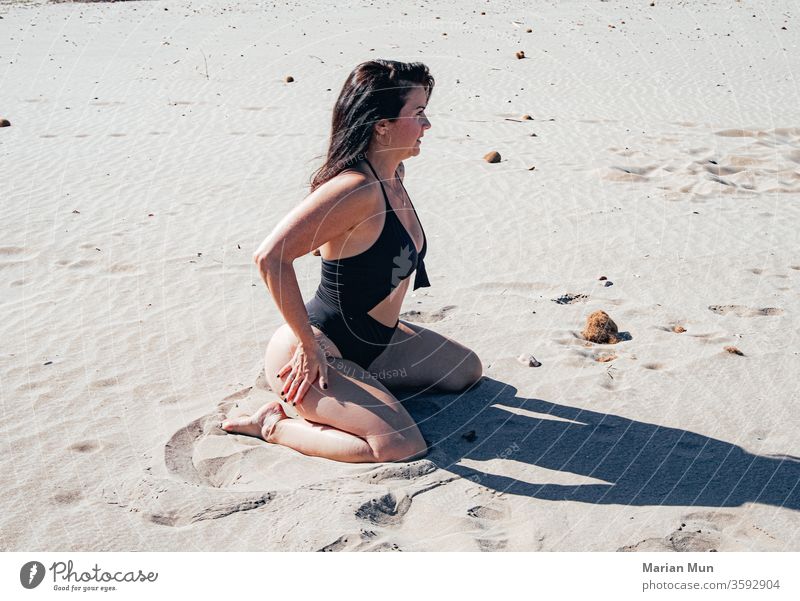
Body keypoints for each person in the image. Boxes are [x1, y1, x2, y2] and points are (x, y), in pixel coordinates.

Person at [221, 59, 483, 463]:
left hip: (377, 341)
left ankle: (360, 391)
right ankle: (273, 424)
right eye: (418, 114)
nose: (427, 125)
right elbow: (270, 257)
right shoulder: (355, 190)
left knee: (465, 370)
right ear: (382, 124)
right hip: (318, 350)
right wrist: (308, 347)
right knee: (399, 446)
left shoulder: (392, 176)